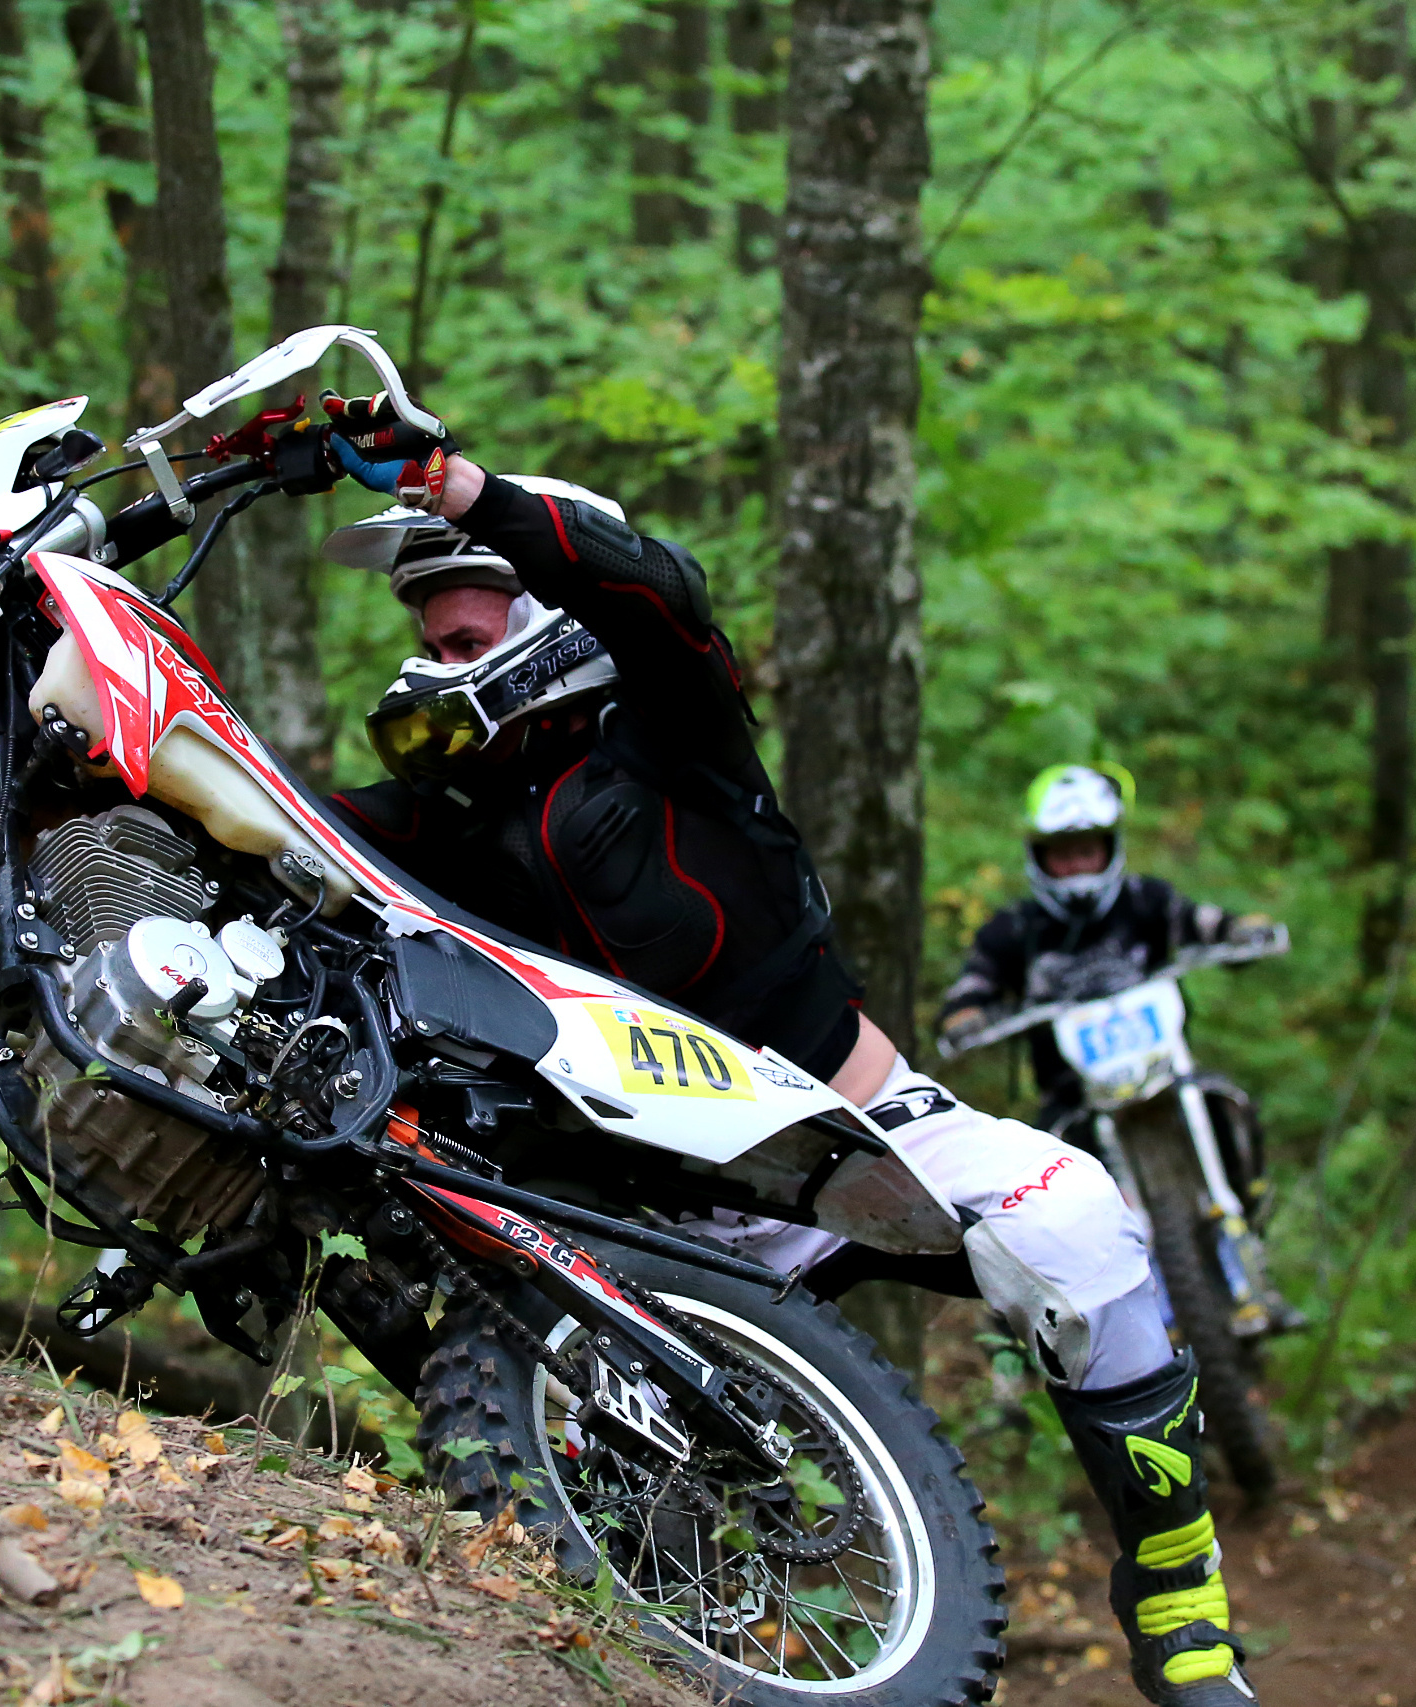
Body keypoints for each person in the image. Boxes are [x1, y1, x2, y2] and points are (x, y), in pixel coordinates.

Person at [295, 394, 1257, 1707]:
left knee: (1083, 1227)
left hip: (852, 1135)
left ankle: (1180, 1592)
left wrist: (458, 485)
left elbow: (658, 593)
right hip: (648, 1214)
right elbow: (265, 816)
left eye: (475, 598)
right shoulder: (449, 811)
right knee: (620, 1469)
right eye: (427, 614)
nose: (440, 629)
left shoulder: (677, 725)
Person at [938, 764, 1265, 1127]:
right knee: (1050, 1157)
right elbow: (971, 989)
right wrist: (965, 1018)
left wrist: (1241, 931)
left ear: (1109, 849)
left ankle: (1248, 1185)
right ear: (1039, 857)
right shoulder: (1013, 929)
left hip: (1167, 1074)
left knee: (1227, 1106)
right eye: (1063, 855)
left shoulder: (1145, 900)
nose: (1077, 866)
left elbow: (1200, 922)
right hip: (1071, 1099)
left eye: (1086, 851)